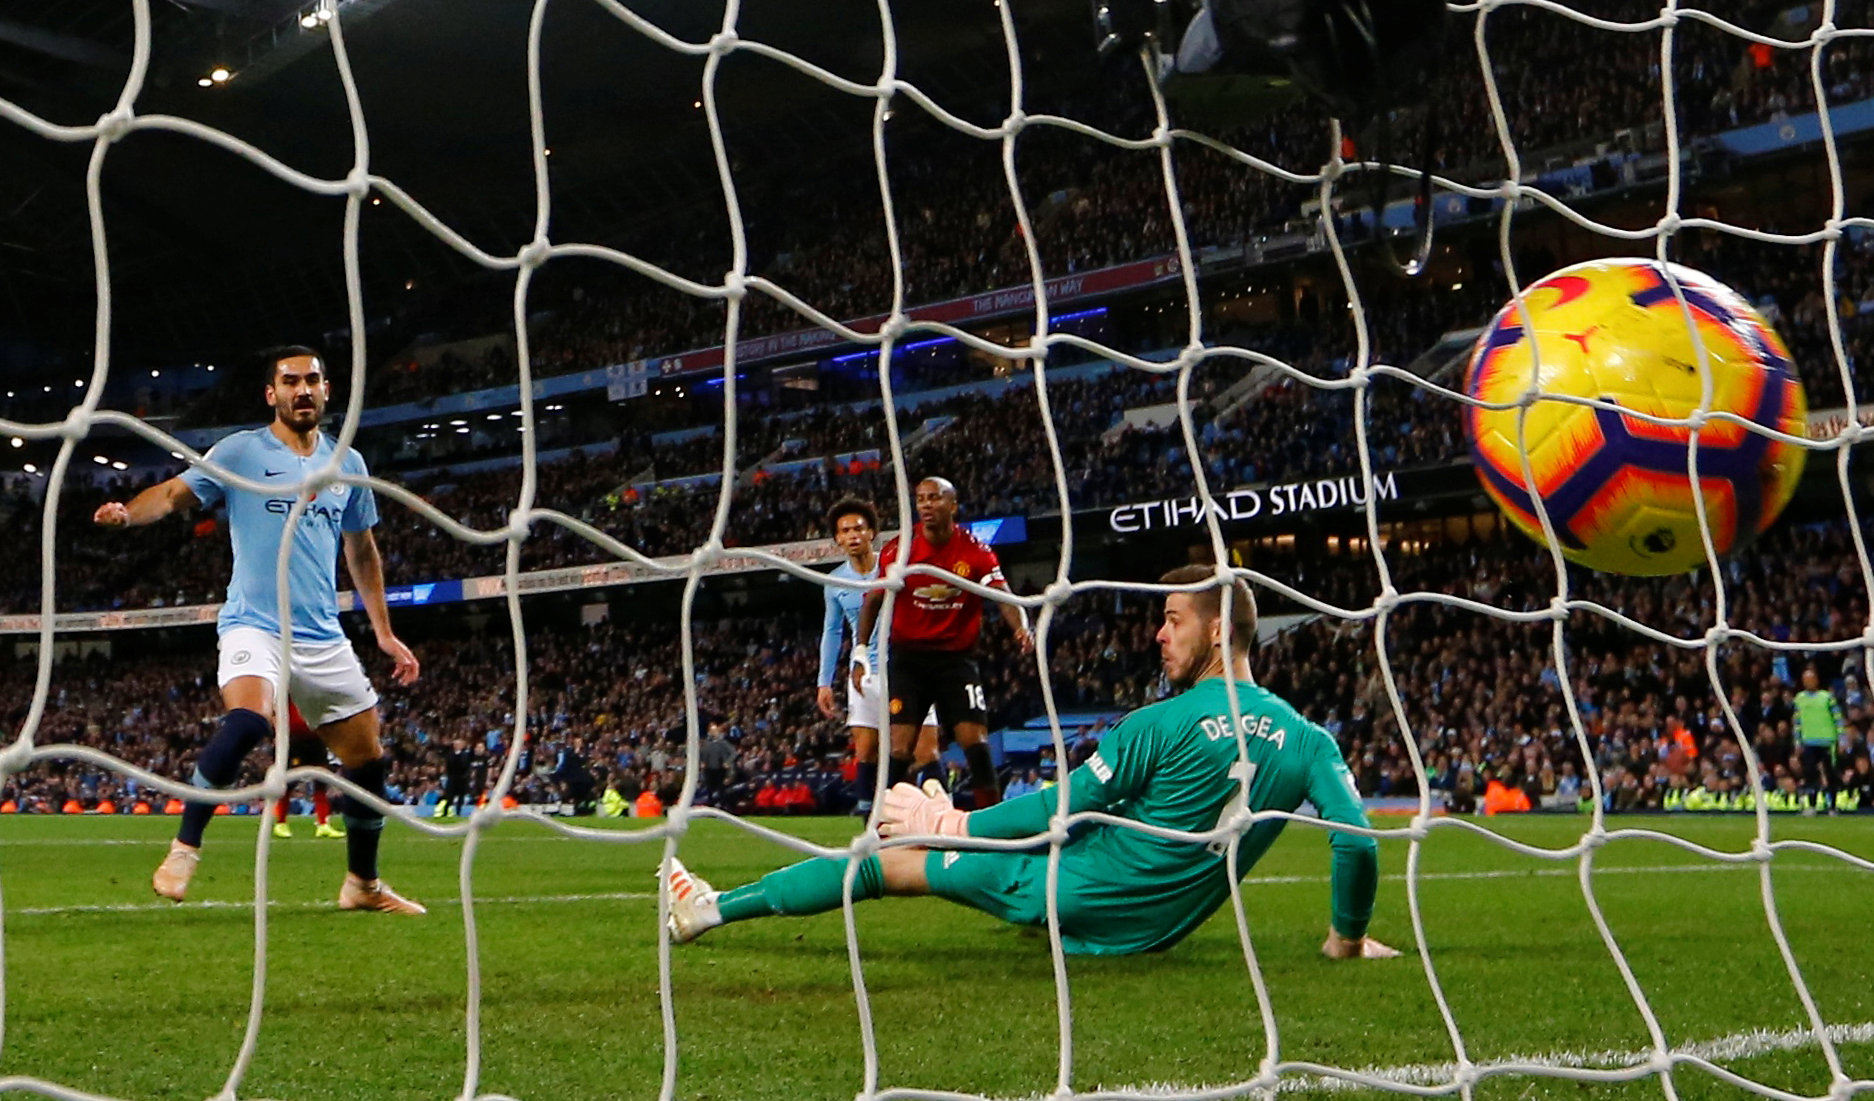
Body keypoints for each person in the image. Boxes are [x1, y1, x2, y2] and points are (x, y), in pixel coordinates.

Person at [663, 565, 1397, 960]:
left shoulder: (1161, 721)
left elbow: (1057, 809)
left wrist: (951, 819)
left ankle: (707, 910)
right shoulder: (1308, 738)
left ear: (1218, 629)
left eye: (1173, 618)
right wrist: (1347, 935)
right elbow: (1356, 839)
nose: (1158, 635)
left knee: (891, 857)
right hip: (1156, 927)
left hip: (1080, 892)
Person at [94, 344, 425, 914]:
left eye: (312, 380)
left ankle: (362, 886)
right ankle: (184, 849)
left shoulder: (350, 463)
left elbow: (363, 551)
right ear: (271, 394)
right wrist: (129, 513)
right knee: (249, 720)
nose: (303, 390)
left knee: (368, 762)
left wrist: (384, 632)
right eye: (290, 381)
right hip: (255, 623)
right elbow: (173, 494)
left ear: (326, 390)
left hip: (321, 636)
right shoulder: (242, 451)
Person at [854, 478, 1032, 807]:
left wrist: (1021, 627)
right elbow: (872, 601)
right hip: (909, 660)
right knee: (900, 748)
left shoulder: (975, 551)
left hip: (956, 660)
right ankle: (884, 825)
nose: (925, 505)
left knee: (975, 743)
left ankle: (989, 826)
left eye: (934, 498)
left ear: (952, 505)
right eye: (920, 499)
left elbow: (1002, 595)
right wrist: (861, 651)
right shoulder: (901, 549)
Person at [814, 497, 942, 814]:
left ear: (872, 532)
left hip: (908, 669)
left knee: (925, 751)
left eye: (859, 527)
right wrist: (824, 682)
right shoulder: (834, 582)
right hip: (865, 675)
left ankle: (943, 817)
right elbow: (832, 632)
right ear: (838, 539)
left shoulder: (896, 568)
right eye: (845, 530)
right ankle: (875, 830)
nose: (853, 534)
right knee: (867, 751)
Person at [271, 701, 345, 840]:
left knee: (321, 781)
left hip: (316, 738)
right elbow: (276, 708)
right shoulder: (288, 690)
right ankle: (281, 822)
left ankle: (323, 824)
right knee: (289, 782)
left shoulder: (313, 690)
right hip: (295, 739)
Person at [1793, 667, 1844, 800]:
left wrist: (1842, 738)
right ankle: (1812, 804)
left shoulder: (1827, 697)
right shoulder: (1800, 698)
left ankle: (1832, 804)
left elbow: (1837, 718)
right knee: (1810, 773)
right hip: (1808, 741)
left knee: (1830, 773)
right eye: (1806, 680)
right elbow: (1797, 721)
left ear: (1816, 680)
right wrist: (1797, 741)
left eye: (1811, 679)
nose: (1808, 682)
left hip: (1827, 740)